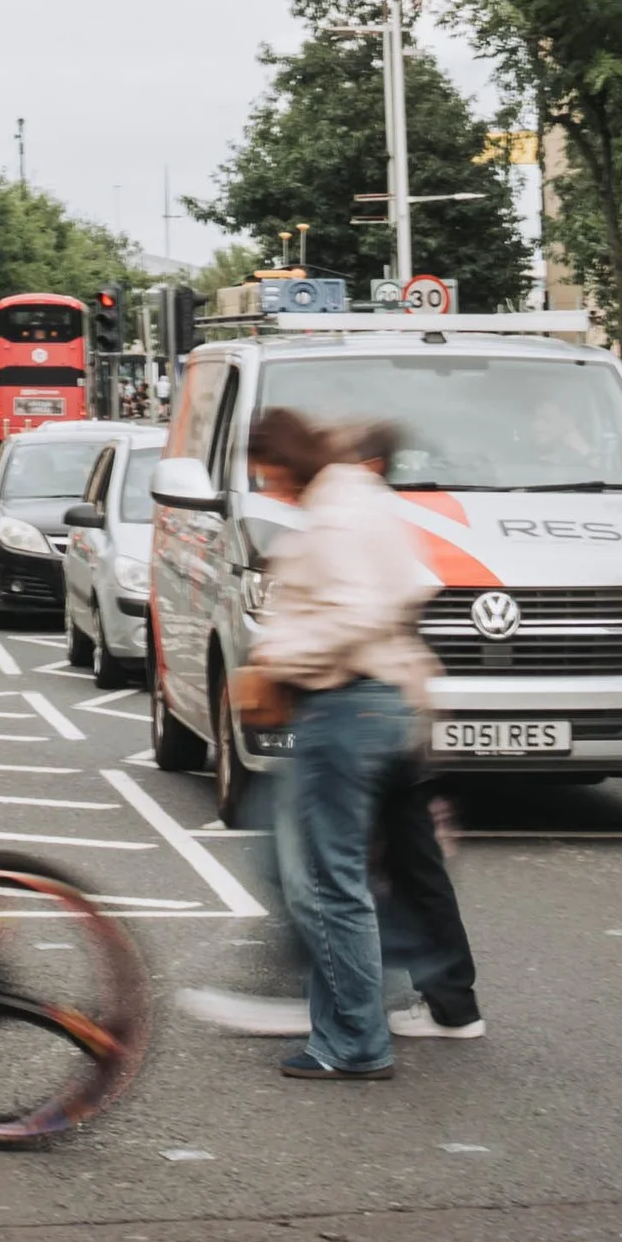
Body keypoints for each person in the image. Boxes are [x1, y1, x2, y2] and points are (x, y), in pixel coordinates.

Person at [228, 403, 436, 1080]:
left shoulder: (339, 512)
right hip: (379, 702)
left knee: (324, 883)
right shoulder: (357, 494)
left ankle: (354, 1040)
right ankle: (343, 1029)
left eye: (272, 476)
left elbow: (360, 606)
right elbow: (412, 580)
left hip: (346, 705)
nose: (273, 491)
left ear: (288, 462)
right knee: (328, 875)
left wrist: (280, 656)